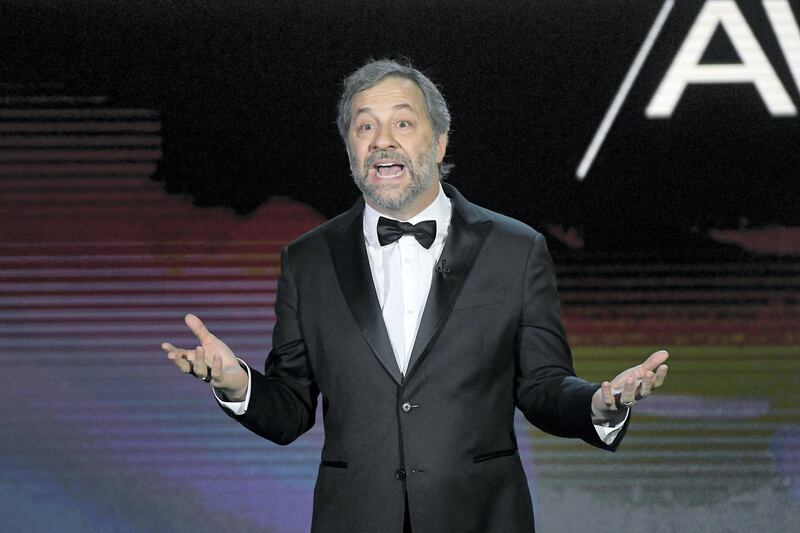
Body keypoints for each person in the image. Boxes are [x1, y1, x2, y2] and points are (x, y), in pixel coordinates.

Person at [161, 59, 669, 533]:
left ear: (441, 142)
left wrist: (601, 405)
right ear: (350, 150)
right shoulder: (307, 260)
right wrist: (235, 382)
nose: (382, 141)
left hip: (481, 517)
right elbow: (292, 409)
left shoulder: (515, 250)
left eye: (403, 124)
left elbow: (542, 386)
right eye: (365, 127)